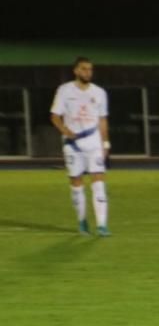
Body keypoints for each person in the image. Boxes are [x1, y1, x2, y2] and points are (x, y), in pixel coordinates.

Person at [50, 57, 111, 236]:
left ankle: (102, 225)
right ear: (76, 71)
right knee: (76, 183)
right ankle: (82, 221)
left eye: (90, 69)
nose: (87, 73)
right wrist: (65, 130)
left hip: (93, 141)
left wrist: (105, 143)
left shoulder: (99, 92)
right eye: (84, 69)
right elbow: (54, 116)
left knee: (98, 181)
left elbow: (102, 120)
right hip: (73, 144)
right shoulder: (64, 90)